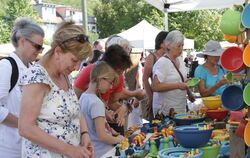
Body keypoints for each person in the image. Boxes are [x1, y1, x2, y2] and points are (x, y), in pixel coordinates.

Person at [18, 21, 94, 158]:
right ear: (58, 51)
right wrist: (69, 150)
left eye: (80, 62)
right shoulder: (37, 77)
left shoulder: (64, 75)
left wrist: (84, 133)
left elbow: (74, 108)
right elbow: (25, 128)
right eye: (74, 60)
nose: (77, 67)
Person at [0, 17, 44, 158]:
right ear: (22, 41)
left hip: (30, 147)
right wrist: (24, 125)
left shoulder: (33, 69)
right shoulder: (6, 66)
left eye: (41, 47)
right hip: (9, 149)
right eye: (37, 46)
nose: (39, 51)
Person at [74, 44, 133, 135]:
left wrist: (124, 108)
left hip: (104, 124)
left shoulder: (119, 77)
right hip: (87, 128)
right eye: (118, 71)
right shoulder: (88, 72)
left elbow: (112, 102)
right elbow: (74, 102)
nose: (120, 75)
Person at [80, 61, 125, 158]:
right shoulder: (96, 103)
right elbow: (102, 136)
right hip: (103, 152)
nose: (111, 87)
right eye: (110, 82)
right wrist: (118, 139)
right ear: (101, 79)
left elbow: (92, 126)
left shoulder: (83, 97)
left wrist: (111, 130)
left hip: (93, 151)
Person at [152, 30, 195, 117]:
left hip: (180, 108)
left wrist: (189, 91)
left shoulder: (180, 60)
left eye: (182, 45)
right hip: (166, 111)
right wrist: (178, 85)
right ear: (169, 46)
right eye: (178, 46)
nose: (181, 48)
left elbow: (182, 80)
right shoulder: (163, 62)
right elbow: (155, 86)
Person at [142, 31, 168, 119]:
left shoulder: (169, 56)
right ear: (161, 43)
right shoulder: (151, 57)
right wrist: (150, 97)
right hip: (157, 97)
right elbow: (145, 79)